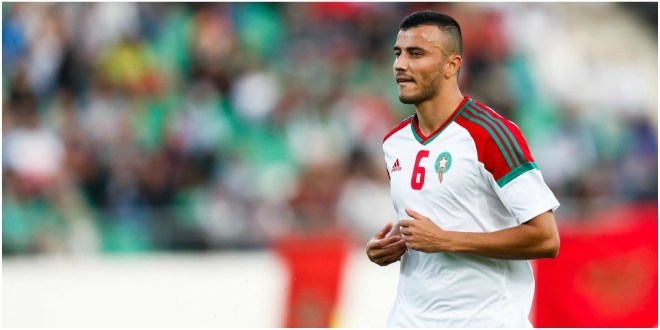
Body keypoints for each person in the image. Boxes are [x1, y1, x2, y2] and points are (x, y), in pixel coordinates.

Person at [366, 11, 560, 327]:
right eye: (398, 53)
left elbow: (545, 239)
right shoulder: (394, 142)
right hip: (409, 320)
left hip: (485, 320)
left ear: (451, 65)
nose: (401, 65)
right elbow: (437, 219)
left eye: (416, 54)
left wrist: (446, 240)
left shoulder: (489, 134)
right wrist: (386, 248)